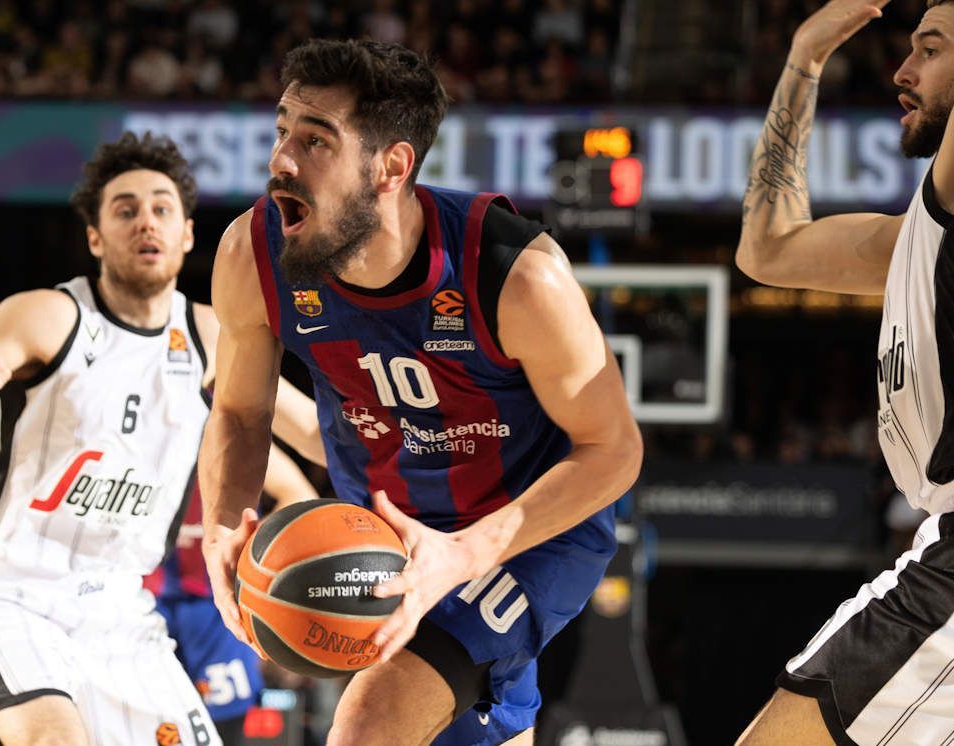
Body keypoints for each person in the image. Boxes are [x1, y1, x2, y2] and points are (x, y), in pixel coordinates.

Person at [198, 39, 643, 746]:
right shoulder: (251, 253)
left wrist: (466, 553)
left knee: (370, 723)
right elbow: (240, 411)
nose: (281, 159)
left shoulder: (515, 275)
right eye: (282, 131)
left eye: (316, 140)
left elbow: (614, 450)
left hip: (525, 533)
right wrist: (223, 527)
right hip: (381, 531)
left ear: (392, 167)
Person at [0, 131, 322, 746]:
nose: (146, 222)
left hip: (122, 610)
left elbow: (315, 432)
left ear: (187, 234)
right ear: (95, 238)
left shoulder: (210, 336)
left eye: (161, 209)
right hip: (17, 597)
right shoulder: (49, 316)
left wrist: (419, 461)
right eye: (125, 210)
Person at [736, 0, 954, 743]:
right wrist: (804, 59)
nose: (902, 70)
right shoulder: (949, 232)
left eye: (931, 49)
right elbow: (768, 249)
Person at [146, 441, 322, 746]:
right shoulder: (135, 434)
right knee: (145, 717)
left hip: (216, 605)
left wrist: (251, 549)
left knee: (223, 717)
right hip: (141, 600)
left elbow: (301, 495)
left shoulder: (221, 431)